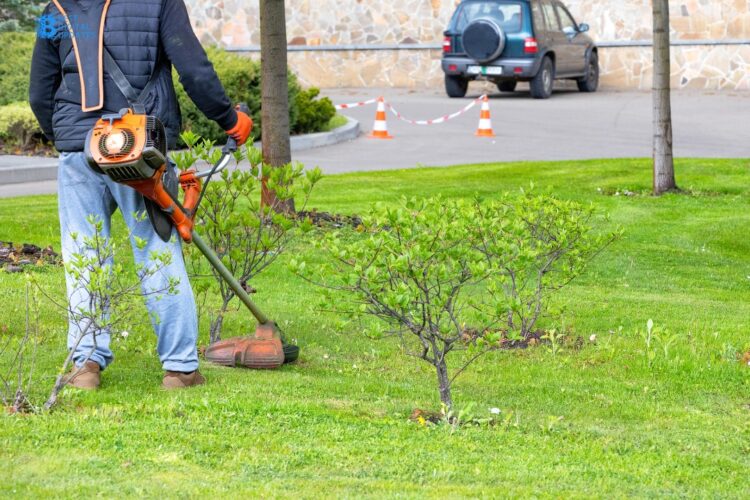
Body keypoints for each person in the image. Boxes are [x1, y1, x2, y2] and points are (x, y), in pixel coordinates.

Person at [29, 0, 253, 390]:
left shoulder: (55, 10)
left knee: (85, 252)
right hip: (139, 144)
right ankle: (180, 369)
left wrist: (66, 136)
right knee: (156, 248)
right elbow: (193, 69)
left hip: (78, 149)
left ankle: (86, 364)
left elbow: (39, 93)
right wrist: (229, 119)